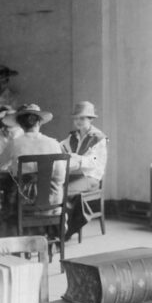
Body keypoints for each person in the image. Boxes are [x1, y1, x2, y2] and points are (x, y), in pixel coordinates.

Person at [0, 103, 64, 236]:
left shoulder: (15, 143)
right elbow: (61, 176)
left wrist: (13, 168)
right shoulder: (53, 143)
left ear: (20, 124)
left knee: (1, 199)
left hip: (24, 203)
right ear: (40, 123)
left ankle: (11, 236)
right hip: (52, 203)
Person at [60, 101, 108, 240]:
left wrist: (77, 158)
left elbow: (94, 162)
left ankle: (66, 231)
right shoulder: (73, 136)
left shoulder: (99, 138)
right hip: (75, 175)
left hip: (91, 177)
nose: (78, 121)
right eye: (76, 118)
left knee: (63, 191)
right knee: (55, 188)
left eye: (82, 118)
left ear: (90, 119)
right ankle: (57, 227)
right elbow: (61, 147)